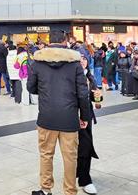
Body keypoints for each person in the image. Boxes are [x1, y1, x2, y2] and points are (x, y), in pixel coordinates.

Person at [27, 30, 90, 195]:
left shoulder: (38, 62)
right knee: (70, 157)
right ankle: (70, 191)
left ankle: (46, 189)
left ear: (49, 41)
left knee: (46, 154)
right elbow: (83, 94)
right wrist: (84, 117)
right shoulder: (74, 63)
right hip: (69, 118)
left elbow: (30, 87)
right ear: (65, 41)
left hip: (46, 116)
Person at [77, 55, 101, 195]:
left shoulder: (89, 76)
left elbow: (93, 96)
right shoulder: (72, 77)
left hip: (87, 116)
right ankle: (83, 178)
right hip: (75, 117)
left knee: (85, 146)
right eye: (79, 59)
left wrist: (97, 97)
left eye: (84, 59)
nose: (82, 61)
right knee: (81, 148)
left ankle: (83, 176)